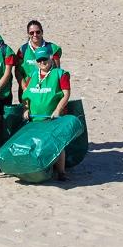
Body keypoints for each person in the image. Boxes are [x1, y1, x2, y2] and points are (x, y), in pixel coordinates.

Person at [20, 46, 73, 180]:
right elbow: (26, 95)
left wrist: (57, 110)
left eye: (45, 59)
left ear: (50, 58)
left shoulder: (60, 74)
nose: (42, 62)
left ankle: (61, 172)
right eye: (40, 60)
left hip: (53, 117)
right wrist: (26, 109)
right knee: (38, 144)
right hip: (35, 118)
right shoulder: (32, 75)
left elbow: (66, 94)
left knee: (58, 145)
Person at [16, 20, 62, 95]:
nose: (35, 35)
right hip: (28, 90)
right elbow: (18, 71)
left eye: (38, 32)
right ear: (28, 34)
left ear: (42, 32)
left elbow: (57, 71)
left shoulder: (52, 48)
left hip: (48, 91)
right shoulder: (23, 50)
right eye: (31, 33)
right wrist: (25, 88)